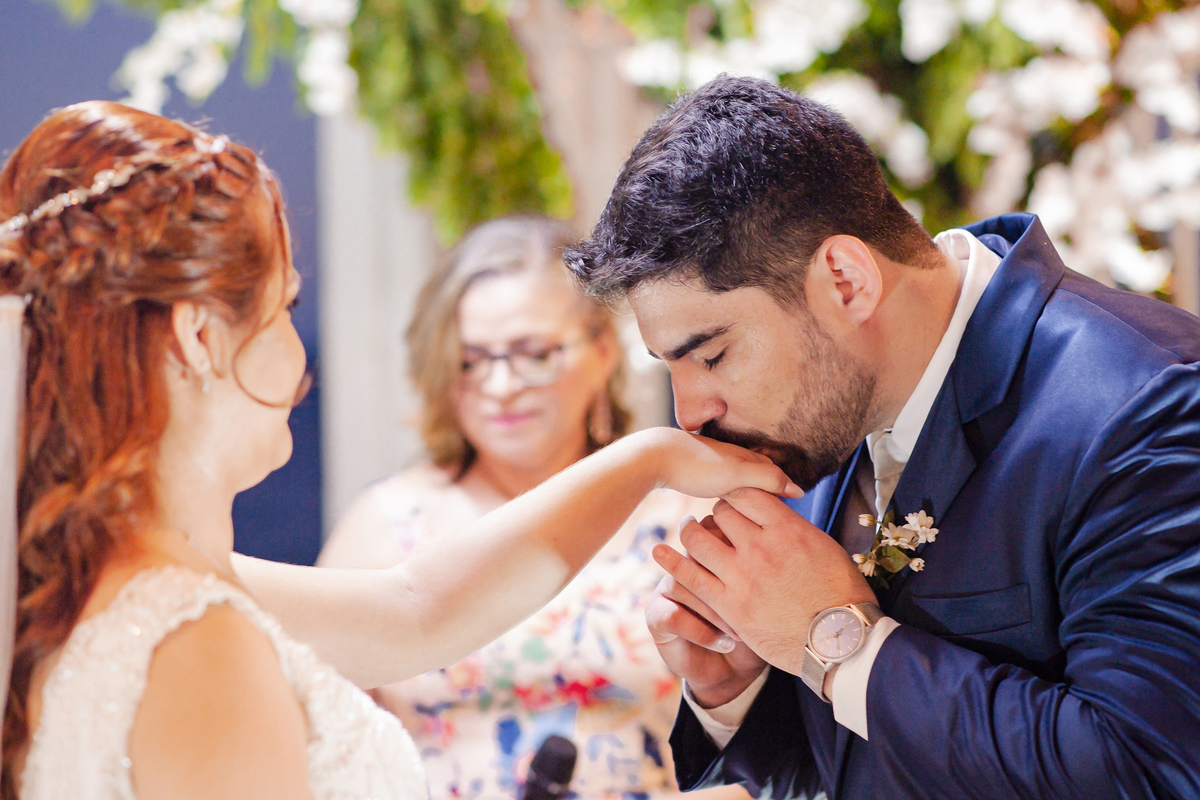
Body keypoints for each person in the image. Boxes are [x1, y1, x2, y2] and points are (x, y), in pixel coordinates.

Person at [0, 101, 798, 800]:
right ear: (200, 339)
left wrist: (651, 457)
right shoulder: (196, 638)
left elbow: (417, 610)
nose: (301, 357)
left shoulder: (97, 578)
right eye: (285, 308)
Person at [561, 76, 1200, 799]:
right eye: (670, 367)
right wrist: (734, 692)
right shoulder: (814, 423)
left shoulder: (1150, 406)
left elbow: (1151, 772)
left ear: (845, 281)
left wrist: (840, 643)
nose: (690, 414)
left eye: (710, 356)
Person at [319, 215, 741, 798]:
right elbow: (316, 739)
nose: (500, 387)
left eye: (534, 354)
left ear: (602, 351)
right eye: (470, 361)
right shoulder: (385, 525)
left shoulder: (685, 518)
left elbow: (766, 746)